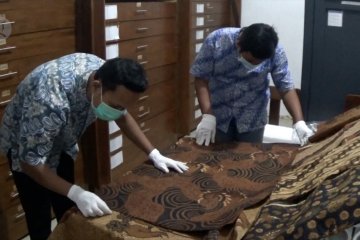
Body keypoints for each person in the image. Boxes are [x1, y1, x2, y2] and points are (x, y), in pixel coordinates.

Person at [0, 53, 188, 240]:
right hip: (25, 144)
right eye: (115, 105)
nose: (119, 110)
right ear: (96, 86)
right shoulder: (49, 99)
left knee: (67, 206)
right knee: (38, 213)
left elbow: (122, 116)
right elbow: (30, 163)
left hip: (63, 139)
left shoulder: (105, 73)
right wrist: (77, 192)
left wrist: (154, 153)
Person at [190, 23, 314, 146]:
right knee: (216, 158)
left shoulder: (275, 51)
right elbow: (201, 78)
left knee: (248, 160)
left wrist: (299, 122)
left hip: (252, 119)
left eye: (259, 63)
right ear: (239, 44)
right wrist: (208, 116)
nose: (253, 66)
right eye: (250, 61)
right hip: (218, 115)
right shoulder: (217, 40)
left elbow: (285, 87)